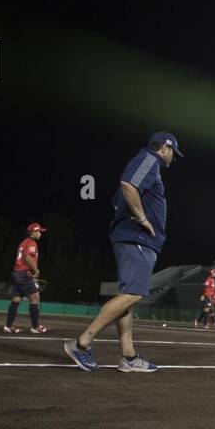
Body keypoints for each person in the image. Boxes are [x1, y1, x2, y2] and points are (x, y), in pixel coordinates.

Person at [64, 131, 183, 373]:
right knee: (133, 295)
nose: (174, 158)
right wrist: (142, 219)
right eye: (173, 152)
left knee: (127, 297)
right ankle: (82, 343)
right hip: (136, 237)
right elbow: (128, 186)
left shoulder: (148, 163)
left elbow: (118, 200)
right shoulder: (150, 159)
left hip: (132, 237)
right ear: (165, 148)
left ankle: (128, 357)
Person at [4, 222, 48, 334]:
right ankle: (35, 326)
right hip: (23, 273)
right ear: (33, 231)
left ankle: (8, 326)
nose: (40, 233)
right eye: (38, 231)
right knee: (35, 298)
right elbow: (28, 257)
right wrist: (36, 270)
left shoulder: (24, 242)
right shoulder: (32, 242)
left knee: (16, 299)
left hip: (16, 273)